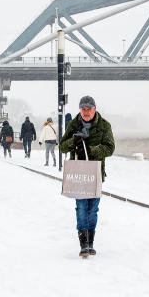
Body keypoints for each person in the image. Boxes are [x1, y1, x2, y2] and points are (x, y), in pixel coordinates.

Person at [59, 96, 115, 257]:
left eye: (89, 109)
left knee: (93, 210)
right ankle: (84, 245)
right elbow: (62, 147)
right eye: (83, 109)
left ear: (94, 109)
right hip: (78, 175)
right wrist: (74, 141)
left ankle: (91, 243)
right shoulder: (73, 124)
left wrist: (91, 151)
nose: (86, 112)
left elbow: (110, 148)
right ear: (80, 110)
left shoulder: (104, 126)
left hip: (96, 174)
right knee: (82, 208)